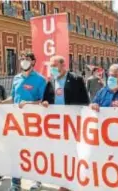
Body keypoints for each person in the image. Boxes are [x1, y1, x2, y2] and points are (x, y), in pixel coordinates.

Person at [0, 53, 47, 191]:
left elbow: (44, 101)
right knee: (15, 152)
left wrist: (29, 103)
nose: (23, 62)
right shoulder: (16, 78)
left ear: (33, 62)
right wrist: (1, 102)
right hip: (16, 122)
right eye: (21, 59)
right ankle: (15, 183)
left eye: (27, 59)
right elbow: (13, 97)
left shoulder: (40, 79)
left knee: (34, 152)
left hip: (33, 122)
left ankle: (37, 180)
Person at [37, 55, 89, 191]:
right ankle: (65, 182)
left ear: (63, 65)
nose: (52, 69)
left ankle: (76, 180)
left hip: (73, 123)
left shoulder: (76, 79)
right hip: (57, 125)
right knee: (61, 153)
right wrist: (45, 103)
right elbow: (45, 99)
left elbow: (85, 101)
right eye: (51, 66)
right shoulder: (51, 81)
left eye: (55, 66)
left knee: (74, 152)